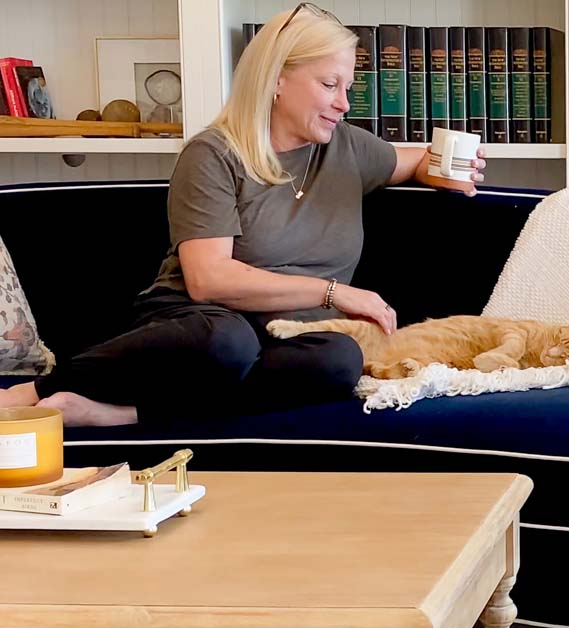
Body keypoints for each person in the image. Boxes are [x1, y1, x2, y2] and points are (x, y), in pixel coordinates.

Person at [0, 2, 485, 427]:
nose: (344, 102)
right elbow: (209, 280)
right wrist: (335, 292)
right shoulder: (214, 154)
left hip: (290, 335)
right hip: (201, 321)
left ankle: (125, 414)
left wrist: (443, 169)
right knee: (226, 342)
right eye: (329, 84)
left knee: (340, 359)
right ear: (277, 78)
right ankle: (36, 391)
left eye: (348, 86)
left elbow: (417, 159)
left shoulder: (348, 149)